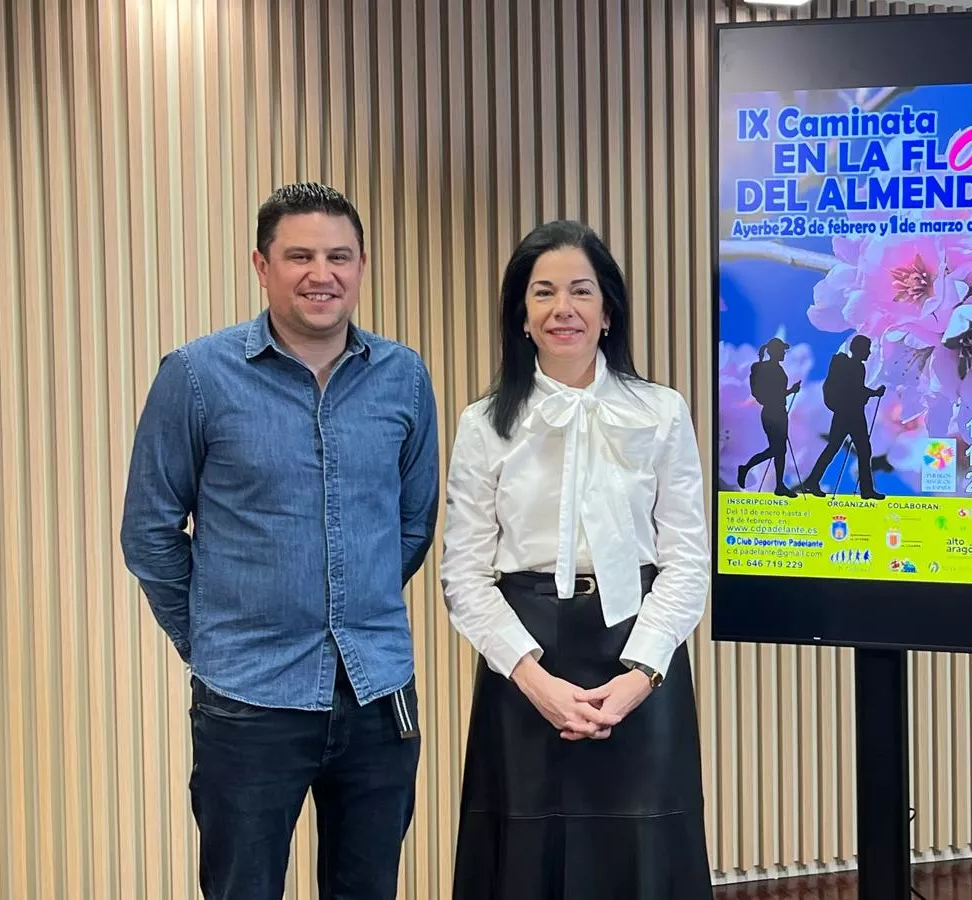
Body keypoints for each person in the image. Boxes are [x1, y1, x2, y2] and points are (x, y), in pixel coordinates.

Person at [119, 182, 440, 899]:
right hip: (247, 698)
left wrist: (358, 600)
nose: (320, 274)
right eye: (299, 256)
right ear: (262, 267)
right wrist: (209, 637)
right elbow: (149, 531)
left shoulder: (403, 377)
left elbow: (413, 524)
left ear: (362, 266)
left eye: (338, 256)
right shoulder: (197, 377)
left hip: (377, 691)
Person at [440, 220, 712, 898]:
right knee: (527, 863)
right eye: (544, 293)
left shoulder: (661, 411)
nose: (564, 309)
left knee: (641, 861)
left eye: (581, 291)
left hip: (637, 658)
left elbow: (686, 561)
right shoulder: (484, 423)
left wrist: (639, 675)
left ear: (608, 310)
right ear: (522, 316)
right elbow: (464, 575)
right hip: (525, 663)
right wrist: (536, 682)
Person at [800, 333, 887, 500]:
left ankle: (864, 489)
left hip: (850, 413)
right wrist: (874, 393)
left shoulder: (855, 366)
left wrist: (870, 393)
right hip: (849, 414)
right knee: (847, 449)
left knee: (854, 450)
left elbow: (856, 390)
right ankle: (865, 490)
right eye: (867, 350)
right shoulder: (854, 367)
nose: (869, 353)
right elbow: (854, 390)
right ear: (859, 350)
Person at [737, 336, 801, 495]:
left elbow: (778, 393)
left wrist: (791, 391)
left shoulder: (778, 368)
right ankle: (746, 468)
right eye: (782, 351)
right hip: (771, 412)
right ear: (775, 352)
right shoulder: (762, 368)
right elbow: (762, 393)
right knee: (777, 448)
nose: (784, 354)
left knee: (781, 450)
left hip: (780, 410)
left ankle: (779, 486)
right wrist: (788, 392)